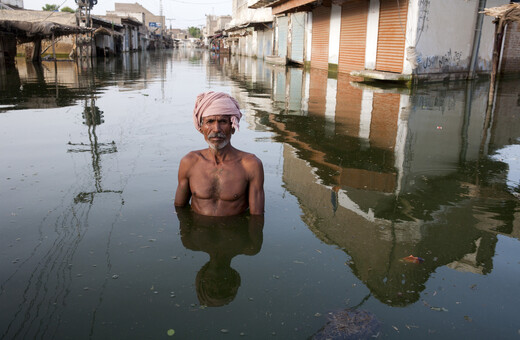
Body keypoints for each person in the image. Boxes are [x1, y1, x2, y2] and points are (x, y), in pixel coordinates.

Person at [174, 91, 264, 216]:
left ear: (233, 127)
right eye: (210, 121)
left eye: (223, 122)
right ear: (201, 128)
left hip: (233, 232)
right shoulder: (189, 162)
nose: (216, 129)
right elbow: (179, 209)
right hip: (198, 233)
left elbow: (257, 217)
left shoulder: (250, 165)